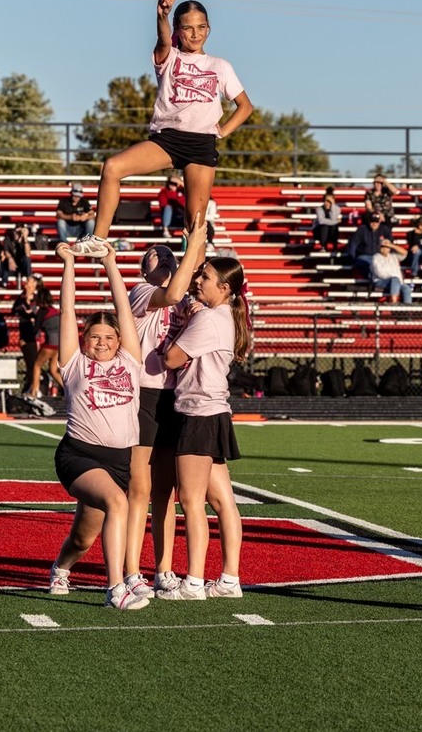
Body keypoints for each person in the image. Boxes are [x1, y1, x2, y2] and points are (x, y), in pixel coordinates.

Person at [71, 0, 253, 257]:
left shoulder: (220, 65)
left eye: (201, 27)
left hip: (201, 145)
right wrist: (162, 16)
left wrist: (222, 131)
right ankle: (99, 239)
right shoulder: (169, 57)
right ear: (177, 30)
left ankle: (196, 278)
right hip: (167, 140)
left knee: (195, 223)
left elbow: (245, 106)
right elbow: (163, 40)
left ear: (209, 28)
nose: (195, 34)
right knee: (112, 167)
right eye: (188, 28)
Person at [47, 241, 149, 610]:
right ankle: (116, 589)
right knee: (118, 503)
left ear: (120, 340)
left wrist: (110, 263)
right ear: (84, 339)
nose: (102, 343)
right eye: (94, 337)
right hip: (79, 455)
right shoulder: (74, 362)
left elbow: (123, 310)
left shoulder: (130, 360)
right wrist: (69, 264)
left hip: (119, 460)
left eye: (108, 338)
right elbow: (67, 310)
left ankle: (60, 568)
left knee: (83, 538)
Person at [124, 215, 208, 599]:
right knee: (139, 488)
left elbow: (194, 287)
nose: (165, 257)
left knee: (165, 492)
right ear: (145, 269)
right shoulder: (141, 292)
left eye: (170, 256)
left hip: (175, 397)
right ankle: (130, 571)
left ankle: (163, 570)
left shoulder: (185, 299)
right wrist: (191, 248)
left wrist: (197, 242)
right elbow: (172, 295)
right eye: (156, 256)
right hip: (143, 393)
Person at [160, 255, 250, 600]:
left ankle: (194, 582)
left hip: (198, 412)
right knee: (222, 501)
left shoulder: (210, 317)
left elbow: (171, 358)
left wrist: (186, 321)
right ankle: (229, 580)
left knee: (191, 500)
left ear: (223, 288)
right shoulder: (222, 315)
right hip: (214, 412)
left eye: (206, 277)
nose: (198, 281)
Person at [346, 211, 393, 281]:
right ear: (369, 222)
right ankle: (374, 278)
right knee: (366, 263)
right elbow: (353, 244)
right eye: (372, 221)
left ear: (379, 222)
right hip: (365, 256)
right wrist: (352, 258)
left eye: (376, 222)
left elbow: (390, 244)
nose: (374, 224)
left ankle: (376, 279)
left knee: (379, 263)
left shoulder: (385, 230)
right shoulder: (362, 229)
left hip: (380, 257)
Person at [369, 239, 412, 304]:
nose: (385, 248)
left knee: (406, 288)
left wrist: (392, 245)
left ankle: (407, 307)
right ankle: (394, 302)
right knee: (395, 279)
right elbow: (379, 273)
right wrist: (394, 278)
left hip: (396, 282)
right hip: (381, 281)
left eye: (387, 247)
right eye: (383, 246)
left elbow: (405, 253)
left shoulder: (393, 256)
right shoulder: (375, 258)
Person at [2, 223, 33, 287]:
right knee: (6, 261)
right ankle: (4, 283)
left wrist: (25, 237)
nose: (17, 234)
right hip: (11, 264)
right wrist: (10, 258)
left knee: (27, 259)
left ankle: (29, 280)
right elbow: (6, 251)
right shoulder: (8, 239)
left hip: (22, 264)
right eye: (16, 232)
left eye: (19, 232)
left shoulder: (25, 241)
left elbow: (27, 254)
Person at [312, 187, 342, 253]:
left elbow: (333, 217)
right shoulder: (319, 209)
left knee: (334, 226)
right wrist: (336, 221)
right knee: (324, 226)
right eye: (326, 201)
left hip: (330, 232)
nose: (327, 203)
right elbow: (321, 221)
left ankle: (335, 246)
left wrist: (332, 206)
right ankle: (323, 246)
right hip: (319, 232)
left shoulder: (337, 209)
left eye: (329, 201)